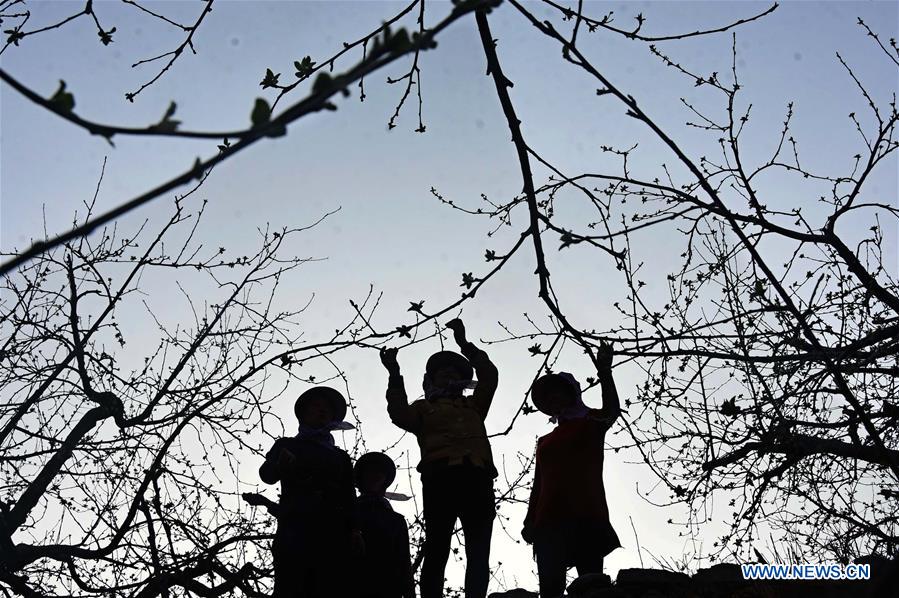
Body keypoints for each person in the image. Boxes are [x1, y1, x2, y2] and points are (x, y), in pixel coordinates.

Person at [379, 318, 499, 598]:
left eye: (453, 373)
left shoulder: (473, 405)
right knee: (437, 546)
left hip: (477, 476)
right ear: (431, 380)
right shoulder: (423, 408)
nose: (448, 376)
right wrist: (394, 373)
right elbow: (398, 414)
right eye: (442, 373)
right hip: (440, 477)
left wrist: (464, 344)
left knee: (479, 549)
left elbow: (490, 376)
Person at [521, 343, 622, 598]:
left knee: (591, 587)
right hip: (548, 522)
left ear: (572, 394)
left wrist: (605, 372)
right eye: (548, 397)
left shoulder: (591, 423)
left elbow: (612, 410)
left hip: (585, 514)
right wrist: (529, 520)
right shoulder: (544, 441)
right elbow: (538, 484)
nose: (553, 399)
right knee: (550, 590)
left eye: (558, 393)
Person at [259, 386, 363, 598]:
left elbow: (348, 495)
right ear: (304, 413)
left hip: (333, 534)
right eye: (317, 406)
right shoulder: (286, 445)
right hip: (296, 530)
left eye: (327, 409)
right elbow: (267, 475)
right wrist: (281, 464)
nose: (322, 411)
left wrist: (355, 530)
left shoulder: (340, 457)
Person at [353, 452, 415, 598]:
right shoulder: (347, 512)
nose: (375, 476)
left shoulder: (396, 521)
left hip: (388, 589)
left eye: (379, 472)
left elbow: (404, 564)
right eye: (370, 471)